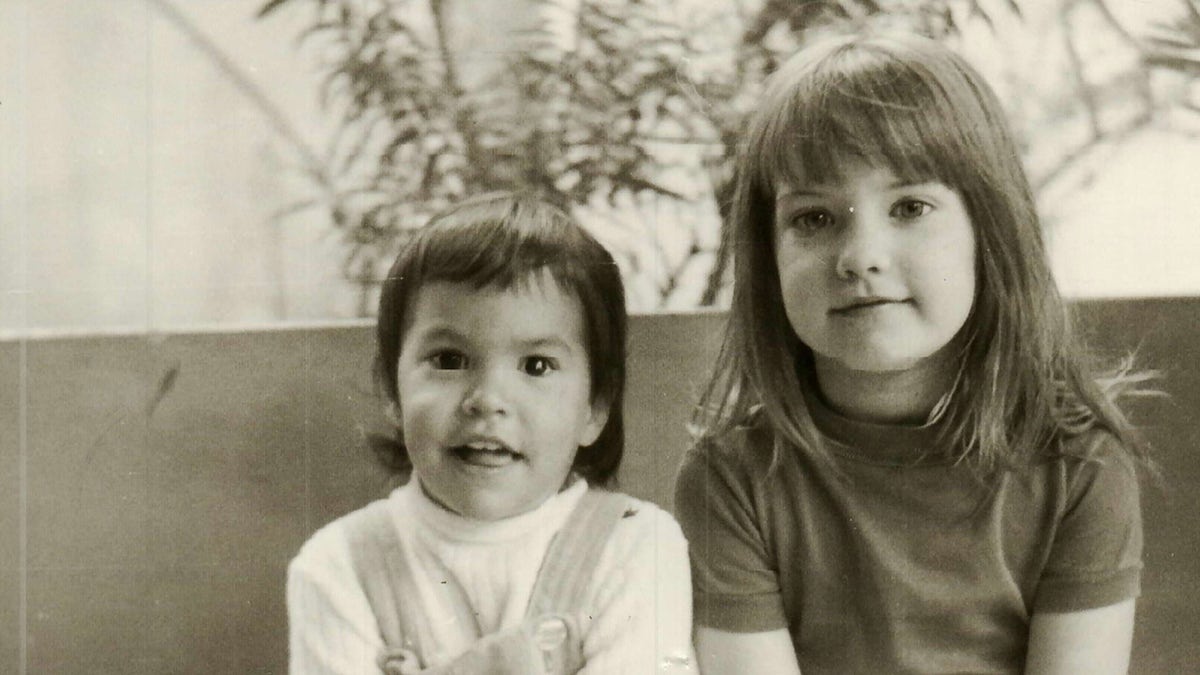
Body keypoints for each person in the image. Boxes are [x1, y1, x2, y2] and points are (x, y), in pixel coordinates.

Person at [673, 31, 1153, 674]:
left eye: (910, 206)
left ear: (992, 232)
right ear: (768, 256)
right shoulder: (731, 479)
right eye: (814, 218)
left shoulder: (1080, 465)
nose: (860, 255)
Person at [288, 193, 694, 674]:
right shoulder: (340, 567)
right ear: (392, 393)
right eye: (448, 360)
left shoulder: (636, 547)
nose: (486, 398)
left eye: (536, 366)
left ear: (595, 407)